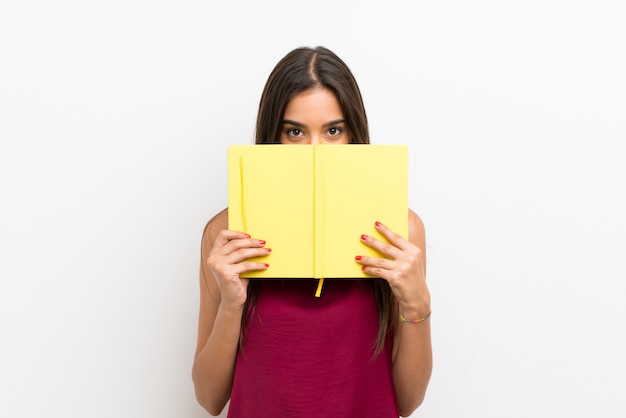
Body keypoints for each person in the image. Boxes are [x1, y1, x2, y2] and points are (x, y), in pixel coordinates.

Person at [192, 46, 432, 417]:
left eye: (333, 130)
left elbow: (407, 401)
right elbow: (209, 398)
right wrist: (231, 304)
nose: (315, 151)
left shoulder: (400, 233)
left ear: (353, 136)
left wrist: (417, 304)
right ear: (273, 136)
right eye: (295, 132)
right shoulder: (226, 235)